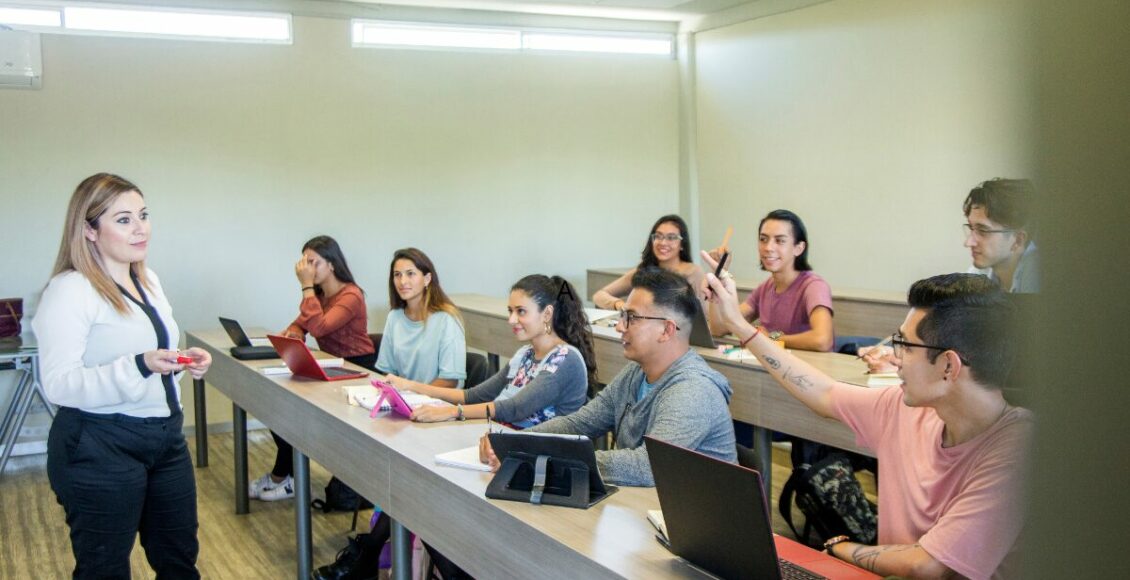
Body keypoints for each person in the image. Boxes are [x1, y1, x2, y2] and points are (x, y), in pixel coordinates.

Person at [703, 258, 1032, 580]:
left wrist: (839, 549)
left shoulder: (1020, 449)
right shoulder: (906, 408)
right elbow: (823, 393)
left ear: (949, 365)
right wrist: (739, 326)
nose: (894, 357)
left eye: (904, 345)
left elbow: (927, 566)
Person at [33, 173, 214, 579]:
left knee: (179, 560)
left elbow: (149, 353)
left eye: (144, 215)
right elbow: (59, 383)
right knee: (105, 568)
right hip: (98, 444)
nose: (140, 228)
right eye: (124, 219)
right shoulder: (70, 290)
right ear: (89, 230)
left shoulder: (148, 280)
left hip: (165, 439)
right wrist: (140, 364)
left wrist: (183, 360)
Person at [483, 267, 737, 487]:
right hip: (651, 508)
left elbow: (646, 467)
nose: (619, 326)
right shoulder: (636, 373)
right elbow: (580, 423)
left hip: (701, 526)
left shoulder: (694, 390)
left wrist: (537, 453)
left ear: (667, 330)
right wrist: (516, 442)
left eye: (631, 318)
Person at [312, 247, 466, 580]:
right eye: (397, 274)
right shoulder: (396, 318)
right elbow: (385, 374)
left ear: (427, 279)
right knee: (395, 482)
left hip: (436, 417)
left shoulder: (447, 320)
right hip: (402, 414)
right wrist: (391, 395)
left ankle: (365, 555)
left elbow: (450, 379)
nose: (403, 281)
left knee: (403, 488)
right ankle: (369, 555)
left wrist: (408, 392)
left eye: (410, 273)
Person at [251, 235, 377, 502]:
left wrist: (306, 287)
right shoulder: (319, 295)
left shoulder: (351, 295)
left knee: (294, 413)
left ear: (331, 264)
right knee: (281, 408)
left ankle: (288, 478)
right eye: (304, 262)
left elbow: (319, 326)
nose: (307, 269)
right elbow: (302, 323)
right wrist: (295, 332)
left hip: (357, 370)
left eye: (313, 262)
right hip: (331, 368)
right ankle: (286, 476)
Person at [407, 274, 594, 426]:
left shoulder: (564, 359)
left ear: (547, 314)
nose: (511, 320)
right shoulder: (525, 354)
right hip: (513, 444)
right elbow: (473, 396)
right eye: (510, 311)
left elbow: (515, 408)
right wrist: (410, 387)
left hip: (547, 459)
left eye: (521, 311)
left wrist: (451, 412)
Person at [706, 209, 834, 351]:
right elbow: (719, 329)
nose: (768, 247)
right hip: (775, 366)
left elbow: (822, 340)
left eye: (779, 241)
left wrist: (769, 338)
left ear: (799, 248)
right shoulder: (766, 287)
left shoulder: (814, 286)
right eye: (763, 239)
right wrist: (718, 274)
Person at [592, 214, 705, 313]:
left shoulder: (693, 272)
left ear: (682, 244)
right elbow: (599, 296)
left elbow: (705, 317)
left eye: (671, 238)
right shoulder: (644, 270)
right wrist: (619, 304)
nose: (663, 242)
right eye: (658, 236)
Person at [964, 178, 1039, 293]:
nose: (968, 242)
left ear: (1018, 240)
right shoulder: (981, 271)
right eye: (971, 228)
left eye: (983, 231)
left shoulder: (1038, 274)